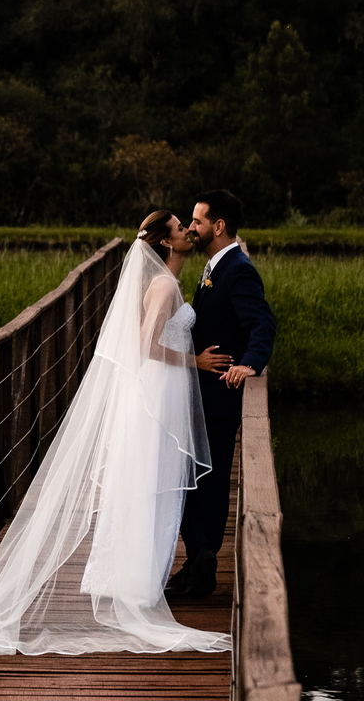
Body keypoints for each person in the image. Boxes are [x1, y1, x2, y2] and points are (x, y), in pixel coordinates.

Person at [0, 211, 231, 656]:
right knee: (151, 483)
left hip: (158, 393)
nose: (188, 230)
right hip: (156, 395)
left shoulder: (165, 279)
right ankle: (136, 580)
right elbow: (145, 346)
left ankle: (132, 574)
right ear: (166, 242)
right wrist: (195, 363)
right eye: (180, 227)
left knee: (149, 484)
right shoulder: (164, 286)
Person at [165, 190, 276, 599]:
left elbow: (262, 321)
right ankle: (199, 562)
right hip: (200, 397)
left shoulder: (238, 270)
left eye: (196, 221)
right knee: (195, 481)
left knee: (197, 482)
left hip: (218, 399)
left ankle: (198, 561)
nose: (191, 228)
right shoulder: (216, 267)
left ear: (219, 226)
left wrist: (250, 363)